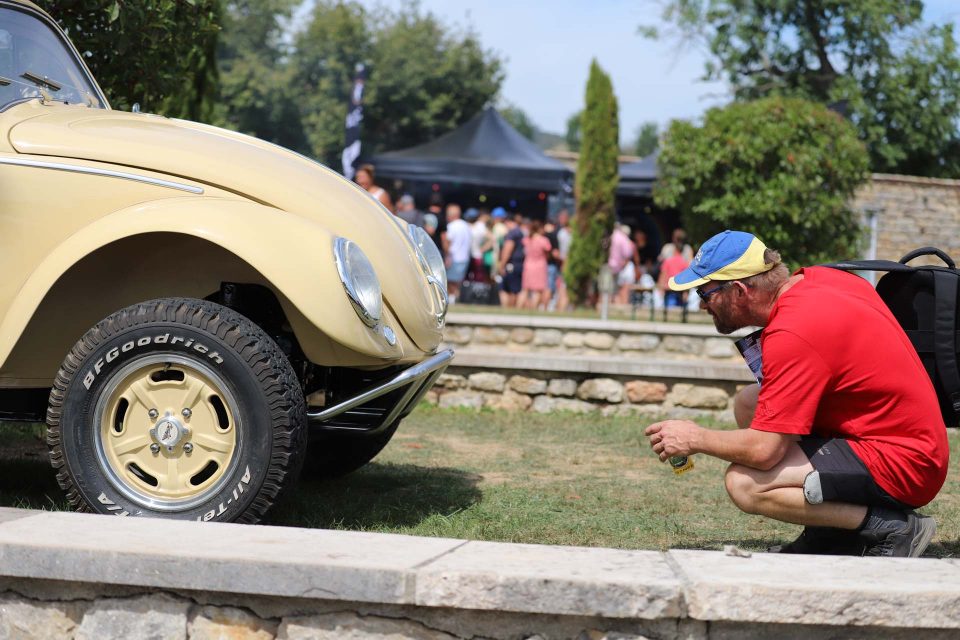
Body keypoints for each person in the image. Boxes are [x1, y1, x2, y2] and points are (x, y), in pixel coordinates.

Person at [644, 230, 949, 557]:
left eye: (704, 293)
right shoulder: (824, 279)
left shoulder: (794, 331)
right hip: (905, 439)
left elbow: (764, 451)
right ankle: (830, 534)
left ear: (739, 291)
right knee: (749, 402)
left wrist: (695, 438)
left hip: (908, 464)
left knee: (745, 484)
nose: (702, 305)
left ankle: (892, 528)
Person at [519, 219, 552, 309]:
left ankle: (518, 308)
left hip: (528, 265)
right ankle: (533, 309)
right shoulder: (543, 240)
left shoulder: (527, 239)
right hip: (539, 266)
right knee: (538, 291)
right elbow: (548, 253)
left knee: (525, 290)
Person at [444, 204, 472, 303]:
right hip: (464, 258)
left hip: (454, 258)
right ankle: (456, 300)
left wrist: (447, 256)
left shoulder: (451, 226)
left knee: (450, 283)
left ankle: (452, 301)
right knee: (457, 283)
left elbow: (447, 242)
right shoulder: (466, 225)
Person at [497, 214, 525, 308]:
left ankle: (508, 308)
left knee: (507, 289)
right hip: (519, 264)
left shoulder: (512, 233)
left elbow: (507, 250)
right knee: (516, 289)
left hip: (511, 265)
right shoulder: (520, 232)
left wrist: (501, 265)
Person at [608, 224, 637, 304]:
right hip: (620, 268)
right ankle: (621, 307)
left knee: (609, 290)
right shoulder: (623, 238)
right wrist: (623, 264)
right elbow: (628, 254)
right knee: (621, 290)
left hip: (609, 266)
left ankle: (610, 306)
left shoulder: (609, 236)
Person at [469, 208, 493, 283]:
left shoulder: (479, 226)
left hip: (475, 256)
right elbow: (492, 239)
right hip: (475, 256)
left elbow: (492, 239)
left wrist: (483, 249)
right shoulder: (478, 226)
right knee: (476, 278)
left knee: (476, 278)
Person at [555, 209, 572, 312]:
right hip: (564, 262)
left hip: (567, 263)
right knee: (562, 288)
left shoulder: (564, 233)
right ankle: (561, 309)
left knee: (564, 288)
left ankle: (561, 309)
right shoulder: (561, 232)